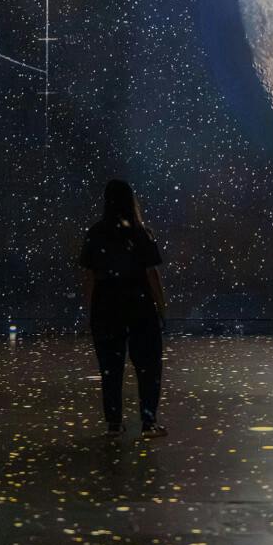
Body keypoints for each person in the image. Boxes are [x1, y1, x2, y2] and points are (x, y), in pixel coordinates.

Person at [78, 179, 168, 437]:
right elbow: (152, 275)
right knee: (148, 367)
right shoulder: (141, 233)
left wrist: (91, 309)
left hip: (106, 306)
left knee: (110, 369)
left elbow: (90, 277)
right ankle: (148, 422)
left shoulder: (96, 233)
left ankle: (114, 424)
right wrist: (161, 308)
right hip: (138, 304)